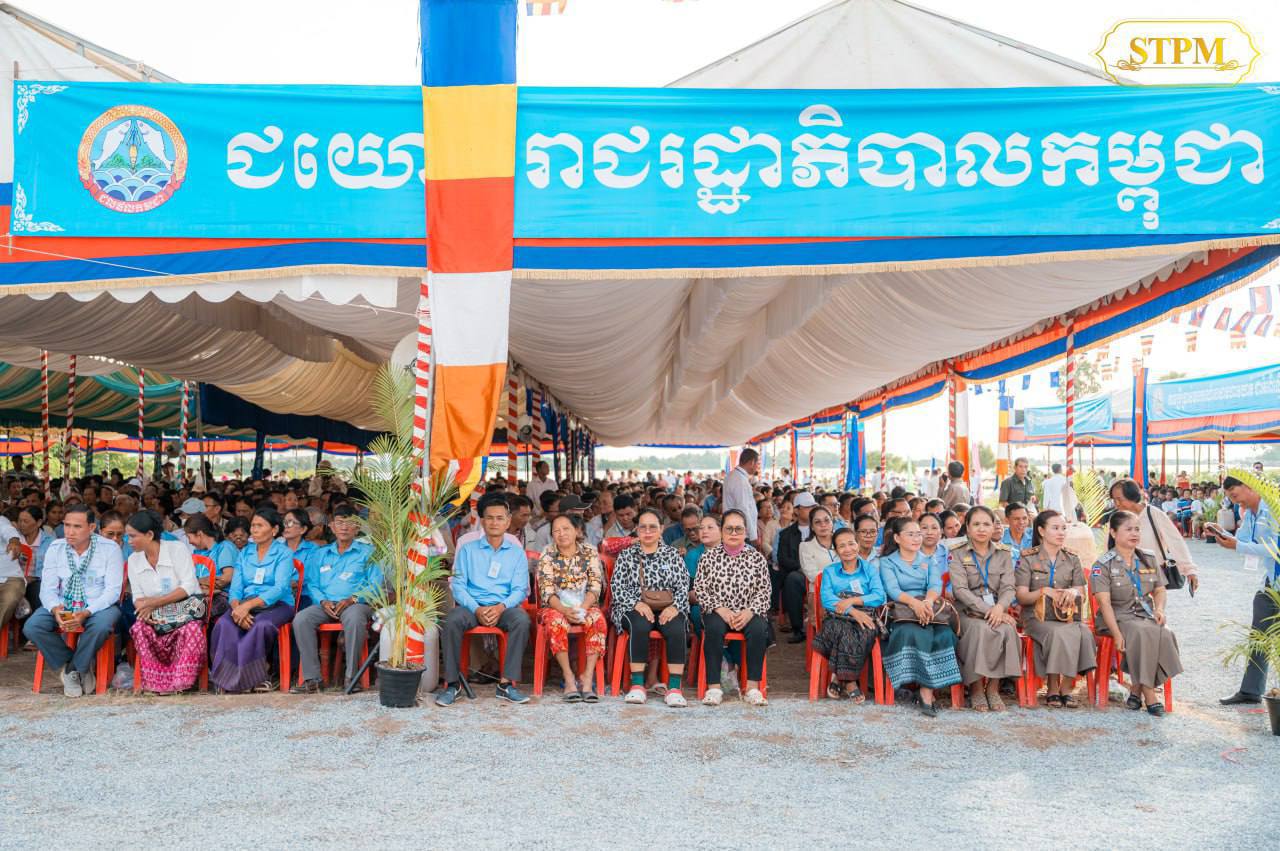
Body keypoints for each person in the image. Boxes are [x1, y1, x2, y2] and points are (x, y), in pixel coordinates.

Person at [436, 494, 532, 706]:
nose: (494, 522)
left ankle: (506, 684)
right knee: (451, 620)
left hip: (504, 607)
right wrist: (476, 608)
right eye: (490, 518)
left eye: (500, 518)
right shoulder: (467, 550)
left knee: (521, 620)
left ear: (508, 521)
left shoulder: (516, 553)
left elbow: (520, 589)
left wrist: (501, 607)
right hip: (472, 606)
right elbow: (458, 585)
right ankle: (452, 684)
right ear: (482, 520)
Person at [23, 505, 124, 697]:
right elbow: (47, 589)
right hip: (65, 604)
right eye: (67, 525)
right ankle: (75, 666)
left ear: (92, 528)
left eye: (77, 526)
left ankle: (72, 671)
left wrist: (87, 612)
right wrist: (55, 609)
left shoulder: (109, 549)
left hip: (97, 606)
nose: (69, 531)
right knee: (33, 626)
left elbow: (112, 591)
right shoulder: (56, 548)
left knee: (101, 626)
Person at [1091, 510, 1182, 716]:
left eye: (1137, 529)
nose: (1134, 533)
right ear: (1113, 533)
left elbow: (1160, 590)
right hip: (1115, 617)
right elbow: (1104, 604)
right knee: (1142, 632)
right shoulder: (1103, 564)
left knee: (1165, 632)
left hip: (1144, 614)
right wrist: (1116, 634)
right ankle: (1150, 696)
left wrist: (1159, 609)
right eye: (1129, 529)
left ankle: (1135, 690)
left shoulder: (1148, 558)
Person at [289, 506, 382, 695]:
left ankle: (352, 677)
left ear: (357, 527)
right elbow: (312, 583)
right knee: (301, 619)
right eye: (339, 522)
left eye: (349, 523)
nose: (344, 527)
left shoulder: (369, 552)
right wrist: (322, 601)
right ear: (331, 526)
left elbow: (375, 584)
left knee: (354, 619)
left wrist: (352, 599)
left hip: (356, 604)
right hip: (326, 605)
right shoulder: (320, 554)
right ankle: (312, 679)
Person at [208, 507, 297, 693]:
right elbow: (235, 588)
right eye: (253, 526)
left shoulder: (284, 553)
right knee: (224, 624)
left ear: (274, 530)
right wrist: (236, 608)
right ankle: (226, 679)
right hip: (244, 605)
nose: (254, 530)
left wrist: (247, 606)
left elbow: (280, 588)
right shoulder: (245, 553)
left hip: (277, 604)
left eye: (260, 526)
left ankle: (255, 678)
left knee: (260, 625)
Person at [878, 517, 961, 716]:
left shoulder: (928, 560)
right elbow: (892, 589)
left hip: (928, 609)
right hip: (902, 612)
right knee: (914, 632)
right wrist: (914, 604)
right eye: (910, 534)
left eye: (918, 534)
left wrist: (927, 602)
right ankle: (925, 692)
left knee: (944, 635)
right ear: (897, 538)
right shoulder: (887, 562)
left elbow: (935, 585)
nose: (917, 538)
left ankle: (926, 689)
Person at [610, 507, 691, 707]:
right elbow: (617, 587)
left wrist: (674, 607)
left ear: (661, 529)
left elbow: (683, 586)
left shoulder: (672, 555)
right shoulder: (627, 555)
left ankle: (674, 688)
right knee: (639, 624)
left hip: (667, 606)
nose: (647, 531)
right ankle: (637, 685)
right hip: (632, 606)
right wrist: (636, 603)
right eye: (643, 527)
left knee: (677, 626)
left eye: (653, 527)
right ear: (636, 529)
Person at [1015, 510, 1095, 708]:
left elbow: (1081, 593)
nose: (1061, 532)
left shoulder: (1072, 558)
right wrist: (1043, 591)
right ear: (1041, 531)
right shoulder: (1028, 558)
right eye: (1055, 528)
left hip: (1067, 616)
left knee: (1084, 633)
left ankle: (1066, 687)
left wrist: (1073, 592)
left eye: (1064, 528)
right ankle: (1052, 687)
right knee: (1058, 633)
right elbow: (1022, 596)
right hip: (1036, 617)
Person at [694, 509, 772, 707]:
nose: (734, 533)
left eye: (739, 529)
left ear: (746, 531)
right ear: (722, 531)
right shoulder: (708, 557)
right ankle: (714, 688)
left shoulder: (757, 558)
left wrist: (749, 612)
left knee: (758, 629)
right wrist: (721, 610)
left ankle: (752, 688)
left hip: (748, 612)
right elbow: (700, 589)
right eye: (729, 528)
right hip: (718, 611)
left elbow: (764, 591)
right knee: (713, 628)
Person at [125, 510, 207, 695]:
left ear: (149, 534)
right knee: (139, 628)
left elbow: (188, 586)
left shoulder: (177, 549)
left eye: (133, 536)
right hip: (154, 614)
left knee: (191, 630)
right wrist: (144, 611)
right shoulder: (133, 560)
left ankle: (181, 681)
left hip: (184, 612)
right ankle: (156, 682)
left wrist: (155, 603)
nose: (128, 541)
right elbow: (137, 596)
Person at [948, 506, 1022, 711]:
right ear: (968, 527)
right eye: (976, 524)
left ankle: (993, 688)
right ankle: (976, 689)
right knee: (980, 630)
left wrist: (1000, 608)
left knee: (1007, 630)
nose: (981, 529)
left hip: (997, 609)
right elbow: (960, 590)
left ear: (994, 527)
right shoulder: (957, 553)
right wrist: (990, 611)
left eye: (987, 524)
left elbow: (1009, 587)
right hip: (966, 611)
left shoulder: (1004, 553)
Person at [1213, 476, 1278, 705]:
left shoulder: (1274, 509)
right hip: (1270, 582)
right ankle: (1251, 691)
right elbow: (1242, 541)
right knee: (1259, 636)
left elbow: (1275, 548)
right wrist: (1223, 535)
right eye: (1230, 496)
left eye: (1234, 494)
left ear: (1250, 486)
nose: (1234, 500)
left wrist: (1238, 545)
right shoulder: (1250, 513)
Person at [535, 514, 606, 703]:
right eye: (556, 531)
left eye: (566, 529)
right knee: (556, 622)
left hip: (585, 604)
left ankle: (587, 677)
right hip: (556, 607)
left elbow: (595, 586)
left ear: (577, 531)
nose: (561, 534)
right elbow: (546, 591)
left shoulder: (589, 551)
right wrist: (565, 610)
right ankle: (568, 677)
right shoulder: (548, 553)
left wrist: (583, 608)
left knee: (597, 620)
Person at [813, 527, 886, 702]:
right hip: (836, 617)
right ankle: (850, 682)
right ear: (836, 550)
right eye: (842, 546)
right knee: (842, 629)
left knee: (862, 630)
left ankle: (838, 678)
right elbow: (827, 599)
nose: (848, 549)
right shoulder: (830, 571)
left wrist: (851, 601)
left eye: (851, 543)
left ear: (858, 544)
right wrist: (852, 611)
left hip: (865, 616)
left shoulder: (869, 569)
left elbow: (879, 596)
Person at [1108, 478, 1199, 593]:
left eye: (1119, 499)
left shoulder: (1154, 514)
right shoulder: (1116, 518)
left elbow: (1175, 541)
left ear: (1132, 496)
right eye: (1114, 500)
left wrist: (1189, 570)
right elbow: (1109, 547)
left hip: (1153, 577)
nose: (1116, 504)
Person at [788, 505, 838, 644]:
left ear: (832, 522)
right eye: (817, 522)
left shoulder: (842, 542)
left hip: (845, 590)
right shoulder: (805, 546)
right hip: (819, 591)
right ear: (812, 527)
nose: (823, 525)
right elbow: (812, 575)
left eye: (826, 520)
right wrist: (839, 578)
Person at [775, 491, 816, 634]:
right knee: (792, 579)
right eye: (807, 507)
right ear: (797, 510)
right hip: (798, 573)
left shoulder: (820, 529)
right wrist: (802, 567)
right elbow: (782, 558)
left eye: (813, 507)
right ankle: (798, 628)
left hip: (819, 572)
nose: (811, 510)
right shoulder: (785, 534)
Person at [722, 449, 761, 546]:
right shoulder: (739, 480)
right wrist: (753, 536)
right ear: (752, 462)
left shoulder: (734, 476)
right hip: (741, 533)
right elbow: (743, 509)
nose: (758, 467)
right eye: (758, 464)